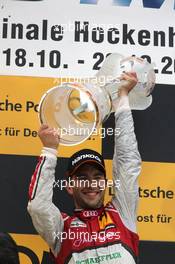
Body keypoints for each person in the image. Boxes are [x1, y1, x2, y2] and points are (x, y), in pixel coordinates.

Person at [28, 72, 141, 264]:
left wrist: (123, 98)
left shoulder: (122, 213)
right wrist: (49, 149)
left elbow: (127, 161)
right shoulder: (61, 229)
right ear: (70, 186)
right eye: (82, 177)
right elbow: (38, 206)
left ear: (105, 183)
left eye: (97, 176)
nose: (91, 183)